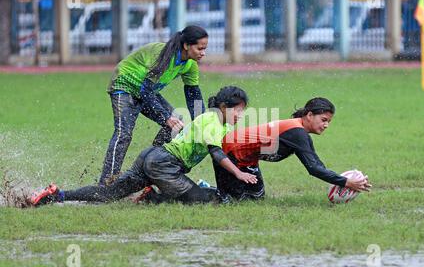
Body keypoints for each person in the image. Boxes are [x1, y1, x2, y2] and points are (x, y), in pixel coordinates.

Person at [28, 86, 257, 207]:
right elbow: (217, 154)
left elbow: (230, 148)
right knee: (205, 199)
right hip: (165, 165)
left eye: (243, 111)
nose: (240, 115)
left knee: (109, 194)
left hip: (152, 156)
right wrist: (239, 175)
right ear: (224, 106)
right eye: (238, 110)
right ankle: (152, 198)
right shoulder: (212, 120)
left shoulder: (222, 125)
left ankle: (58, 195)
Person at [99, 25, 209, 186]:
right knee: (124, 134)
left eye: (205, 49)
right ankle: (106, 184)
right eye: (200, 48)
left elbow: (194, 96)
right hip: (125, 85)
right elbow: (145, 92)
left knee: (176, 122)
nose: (203, 53)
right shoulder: (163, 54)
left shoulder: (190, 65)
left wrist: (204, 123)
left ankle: (151, 164)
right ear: (186, 45)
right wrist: (165, 117)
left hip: (146, 90)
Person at [212, 97, 372, 201]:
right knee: (229, 200)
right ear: (309, 115)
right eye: (323, 120)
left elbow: (316, 164)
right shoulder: (296, 132)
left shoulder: (298, 131)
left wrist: (344, 181)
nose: (326, 125)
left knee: (256, 198)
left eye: (329, 121)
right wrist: (346, 182)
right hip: (228, 155)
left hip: (247, 161)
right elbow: (314, 169)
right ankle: (204, 189)